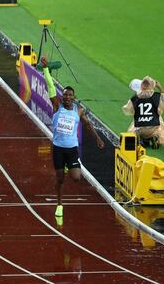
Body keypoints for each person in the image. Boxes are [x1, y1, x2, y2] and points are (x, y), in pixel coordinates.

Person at [41, 57, 105, 218]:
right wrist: (46, 69)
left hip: (72, 150)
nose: (67, 97)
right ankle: (59, 204)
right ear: (62, 97)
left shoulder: (78, 111)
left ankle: (71, 166)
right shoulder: (57, 105)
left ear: (74, 98)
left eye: (70, 95)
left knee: (76, 178)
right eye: (65, 95)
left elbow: (88, 125)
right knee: (60, 179)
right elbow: (49, 85)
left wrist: (97, 138)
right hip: (58, 149)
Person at [122, 77, 164, 148]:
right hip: (154, 128)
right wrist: (160, 87)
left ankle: (139, 139)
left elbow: (128, 110)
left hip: (139, 128)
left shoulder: (135, 98)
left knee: (135, 121)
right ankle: (157, 139)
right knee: (158, 116)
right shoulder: (157, 97)